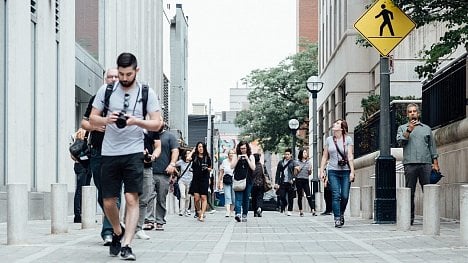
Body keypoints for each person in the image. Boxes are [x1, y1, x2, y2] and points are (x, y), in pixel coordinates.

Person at [89, 52, 163, 260]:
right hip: (109, 152)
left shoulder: (147, 92)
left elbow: (157, 123)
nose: (123, 78)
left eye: (128, 74)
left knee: (132, 198)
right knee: (108, 201)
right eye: (120, 74)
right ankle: (118, 231)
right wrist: (106, 120)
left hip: (133, 151)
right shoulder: (107, 90)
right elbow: (91, 120)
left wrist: (136, 121)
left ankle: (127, 245)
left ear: (136, 71)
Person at [81, 67, 118, 245]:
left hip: (118, 153)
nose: (112, 79)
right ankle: (115, 221)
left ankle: (109, 231)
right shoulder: (96, 99)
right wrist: (94, 127)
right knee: (102, 194)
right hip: (97, 151)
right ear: (105, 80)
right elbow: (84, 122)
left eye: (116, 77)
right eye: (109, 77)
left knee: (113, 193)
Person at [396, 103, 439, 225]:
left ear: (418, 113)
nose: (413, 113)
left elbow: (432, 147)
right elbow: (400, 142)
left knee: (429, 191)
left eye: (414, 111)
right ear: (407, 114)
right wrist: (409, 130)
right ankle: (409, 219)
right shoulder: (402, 128)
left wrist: (435, 163)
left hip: (425, 163)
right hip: (410, 164)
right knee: (410, 192)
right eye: (410, 112)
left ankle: (431, 218)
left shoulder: (426, 128)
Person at [320, 119, 355, 228]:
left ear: (342, 128)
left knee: (344, 196)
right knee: (336, 195)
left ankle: (341, 213)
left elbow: (350, 156)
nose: (334, 124)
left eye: (337, 123)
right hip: (332, 171)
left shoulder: (348, 139)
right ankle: (337, 218)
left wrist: (352, 172)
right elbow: (325, 156)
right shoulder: (329, 140)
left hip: (345, 171)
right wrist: (321, 170)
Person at [146, 124, 179, 231]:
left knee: (161, 198)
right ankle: (149, 220)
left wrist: (172, 164)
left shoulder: (170, 136)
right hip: (149, 170)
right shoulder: (148, 134)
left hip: (164, 172)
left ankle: (159, 221)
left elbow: (175, 151)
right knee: (149, 196)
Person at [134, 129, 160, 240]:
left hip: (147, 167)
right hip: (130, 165)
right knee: (130, 196)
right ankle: (126, 224)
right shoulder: (130, 122)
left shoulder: (151, 127)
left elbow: (158, 146)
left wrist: (152, 156)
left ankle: (138, 228)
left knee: (144, 198)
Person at [71, 128, 92, 224]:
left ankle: (83, 215)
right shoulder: (81, 135)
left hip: (81, 165)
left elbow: (72, 155)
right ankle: (78, 215)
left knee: (84, 191)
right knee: (81, 191)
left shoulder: (74, 136)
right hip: (83, 165)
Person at [231, 141, 255, 222]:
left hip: (248, 180)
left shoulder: (251, 156)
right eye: (241, 148)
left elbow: (253, 168)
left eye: (244, 148)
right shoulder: (236, 156)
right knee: (238, 198)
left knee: (246, 199)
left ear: (247, 148)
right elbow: (232, 166)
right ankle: (238, 214)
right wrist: (238, 159)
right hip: (238, 180)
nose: (243, 150)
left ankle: (244, 214)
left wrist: (247, 158)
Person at [188, 142, 212, 222]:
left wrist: (207, 169)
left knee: (204, 197)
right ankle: (198, 211)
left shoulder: (207, 157)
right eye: (199, 147)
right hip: (196, 179)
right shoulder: (194, 156)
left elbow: (210, 168)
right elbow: (188, 158)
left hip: (204, 178)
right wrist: (193, 150)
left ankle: (202, 214)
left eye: (202, 147)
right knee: (196, 198)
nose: (201, 148)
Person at [294, 148, 316, 216]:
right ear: (301, 154)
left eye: (306, 152)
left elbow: (309, 173)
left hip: (305, 180)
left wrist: (310, 170)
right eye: (304, 152)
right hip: (299, 180)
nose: (305, 154)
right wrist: (297, 169)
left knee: (309, 195)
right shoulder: (296, 162)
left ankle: (313, 210)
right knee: (300, 196)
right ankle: (301, 211)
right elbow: (295, 174)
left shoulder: (308, 162)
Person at [274, 148, 296, 216]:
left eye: (288, 154)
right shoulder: (281, 162)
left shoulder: (293, 162)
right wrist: (276, 182)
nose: (286, 155)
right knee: (282, 196)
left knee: (290, 197)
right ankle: (285, 204)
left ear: (291, 155)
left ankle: (289, 210)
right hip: (282, 181)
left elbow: (296, 172)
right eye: (285, 154)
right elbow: (278, 173)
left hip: (290, 182)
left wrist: (293, 179)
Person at [218, 149, 236, 217]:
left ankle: (232, 211)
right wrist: (219, 181)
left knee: (234, 197)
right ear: (228, 154)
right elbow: (221, 172)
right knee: (227, 196)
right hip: (226, 180)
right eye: (230, 153)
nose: (231, 154)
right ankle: (228, 211)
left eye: (232, 153)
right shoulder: (224, 161)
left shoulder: (235, 161)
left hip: (234, 181)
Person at [176, 149, 194, 217]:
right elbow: (174, 164)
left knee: (188, 197)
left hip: (190, 181)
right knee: (183, 196)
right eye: (187, 153)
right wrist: (177, 172)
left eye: (189, 153)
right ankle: (181, 211)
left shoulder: (192, 163)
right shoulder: (181, 162)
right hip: (182, 181)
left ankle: (187, 210)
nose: (188, 155)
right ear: (185, 155)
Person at [251, 153, 265, 217]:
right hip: (261, 184)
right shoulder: (262, 166)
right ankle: (259, 208)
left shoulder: (251, 166)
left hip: (253, 184)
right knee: (260, 197)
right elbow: (265, 175)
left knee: (254, 198)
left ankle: (255, 212)